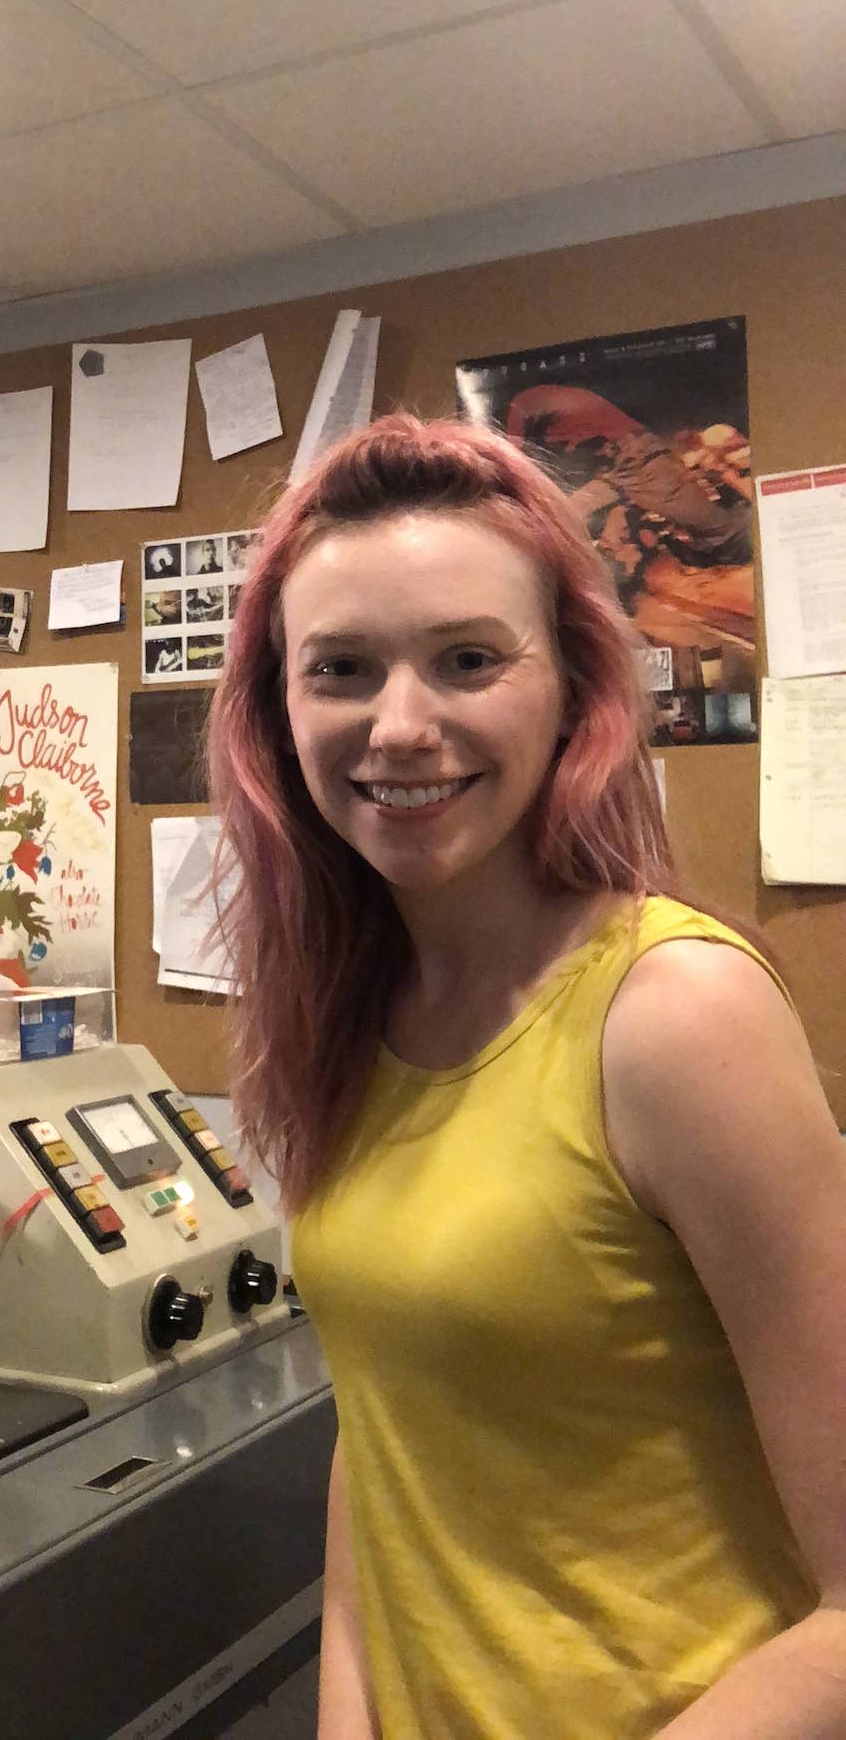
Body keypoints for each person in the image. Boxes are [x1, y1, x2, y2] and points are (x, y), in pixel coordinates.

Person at [207, 411, 846, 1737]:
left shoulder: (675, 1016)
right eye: (340, 669)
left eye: (466, 659)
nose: (399, 725)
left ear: (569, 689)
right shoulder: (353, 1018)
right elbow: (392, 1431)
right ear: (279, 710)